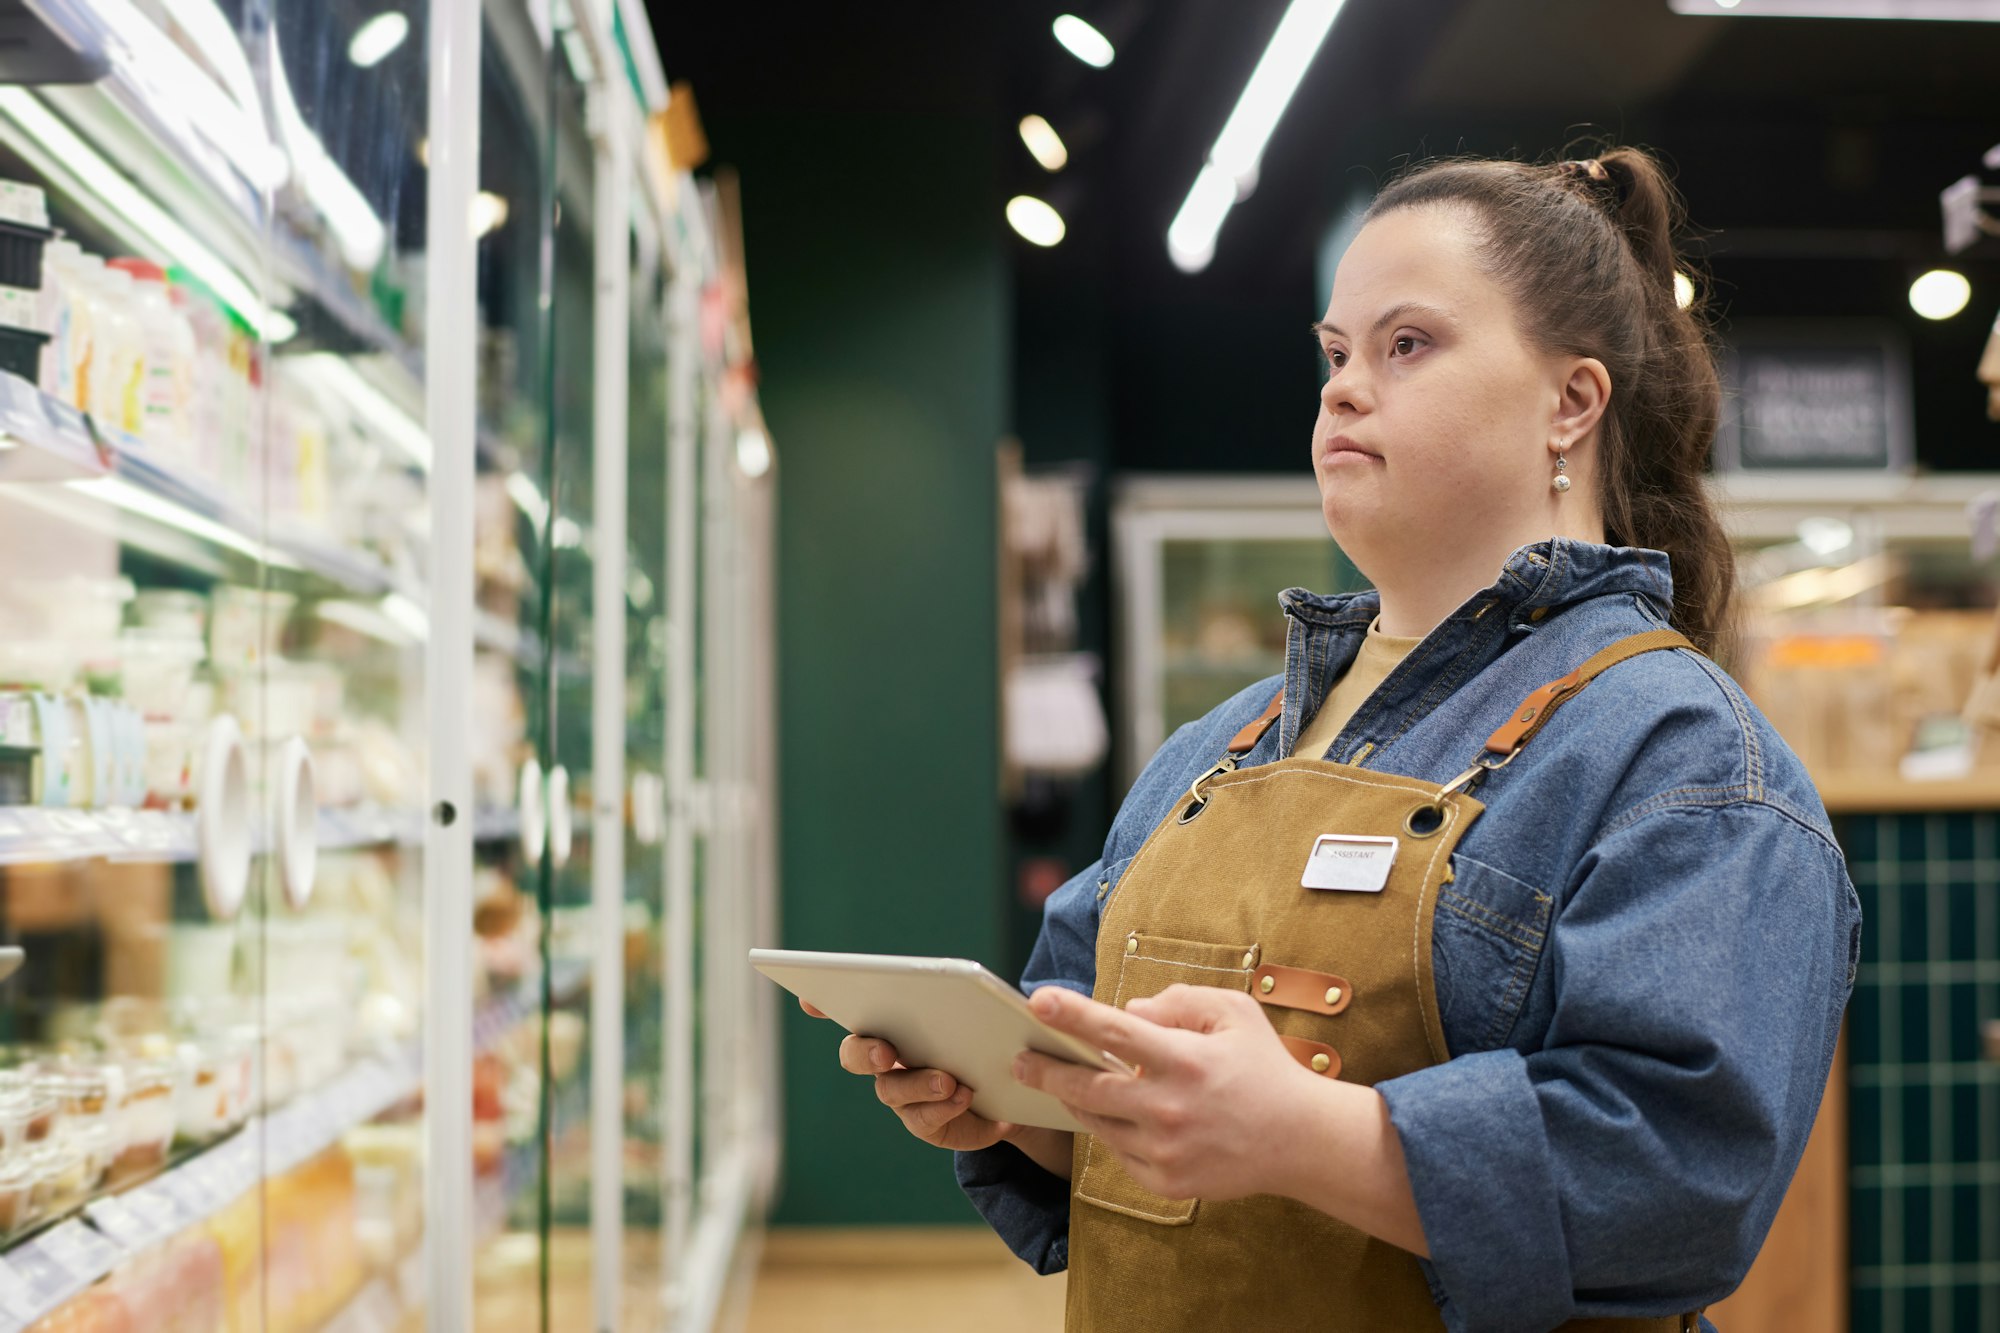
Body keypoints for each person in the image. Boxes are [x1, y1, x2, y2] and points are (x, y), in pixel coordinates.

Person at [802, 146, 1860, 1332]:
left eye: (1406, 344)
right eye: (1335, 354)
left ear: (1570, 402)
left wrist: (1305, 1133)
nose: (1343, 390)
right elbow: (1112, 1117)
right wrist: (1021, 1106)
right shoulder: (1216, 748)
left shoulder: (1683, 760)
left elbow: (1679, 1180)